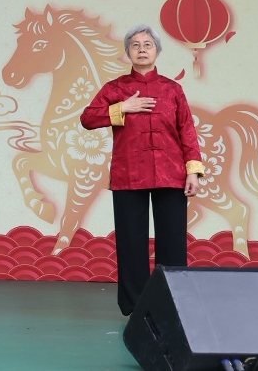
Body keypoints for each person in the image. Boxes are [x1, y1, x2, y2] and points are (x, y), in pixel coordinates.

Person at [80, 25, 203, 316]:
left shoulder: (173, 89)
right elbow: (87, 119)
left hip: (171, 174)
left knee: (172, 244)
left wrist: (193, 171)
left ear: (157, 51)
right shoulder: (115, 89)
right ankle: (135, 308)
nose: (142, 49)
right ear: (128, 52)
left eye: (148, 44)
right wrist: (123, 107)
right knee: (131, 244)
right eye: (135, 45)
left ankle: (172, 304)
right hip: (128, 175)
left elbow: (187, 130)